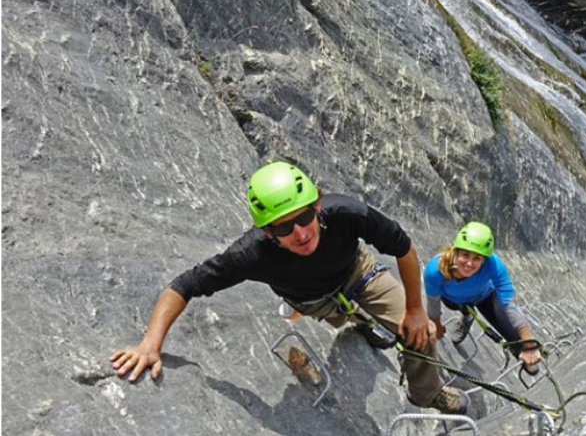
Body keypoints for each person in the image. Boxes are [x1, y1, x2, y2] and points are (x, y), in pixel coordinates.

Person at [110, 161, 468, 415]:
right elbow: (184, 285)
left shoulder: (346, 213)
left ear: (316, 205)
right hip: (313, 300)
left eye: (304, 217)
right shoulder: (250, 254)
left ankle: (427, 394)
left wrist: (416, 310)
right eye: (283, 228)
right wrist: (150, 344)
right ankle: (363, 322)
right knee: (348, 317)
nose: (300, 233)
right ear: (267, 232)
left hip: (358, 273)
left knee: (420, 335)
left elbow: (403, 247)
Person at [424, 222, 543, 374]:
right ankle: (467, 316)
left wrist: (529, 343)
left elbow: (509, 303)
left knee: (515, 337)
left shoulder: (494, 264)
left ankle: (532, 366)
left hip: (485, 297)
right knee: (456, 305)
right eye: (465, 255)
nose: (469, 263)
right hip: (454, 300)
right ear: (455, 251)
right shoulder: (435, 270)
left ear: (484, 260)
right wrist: (436, 324)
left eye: (477, 258)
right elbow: (433, 302)